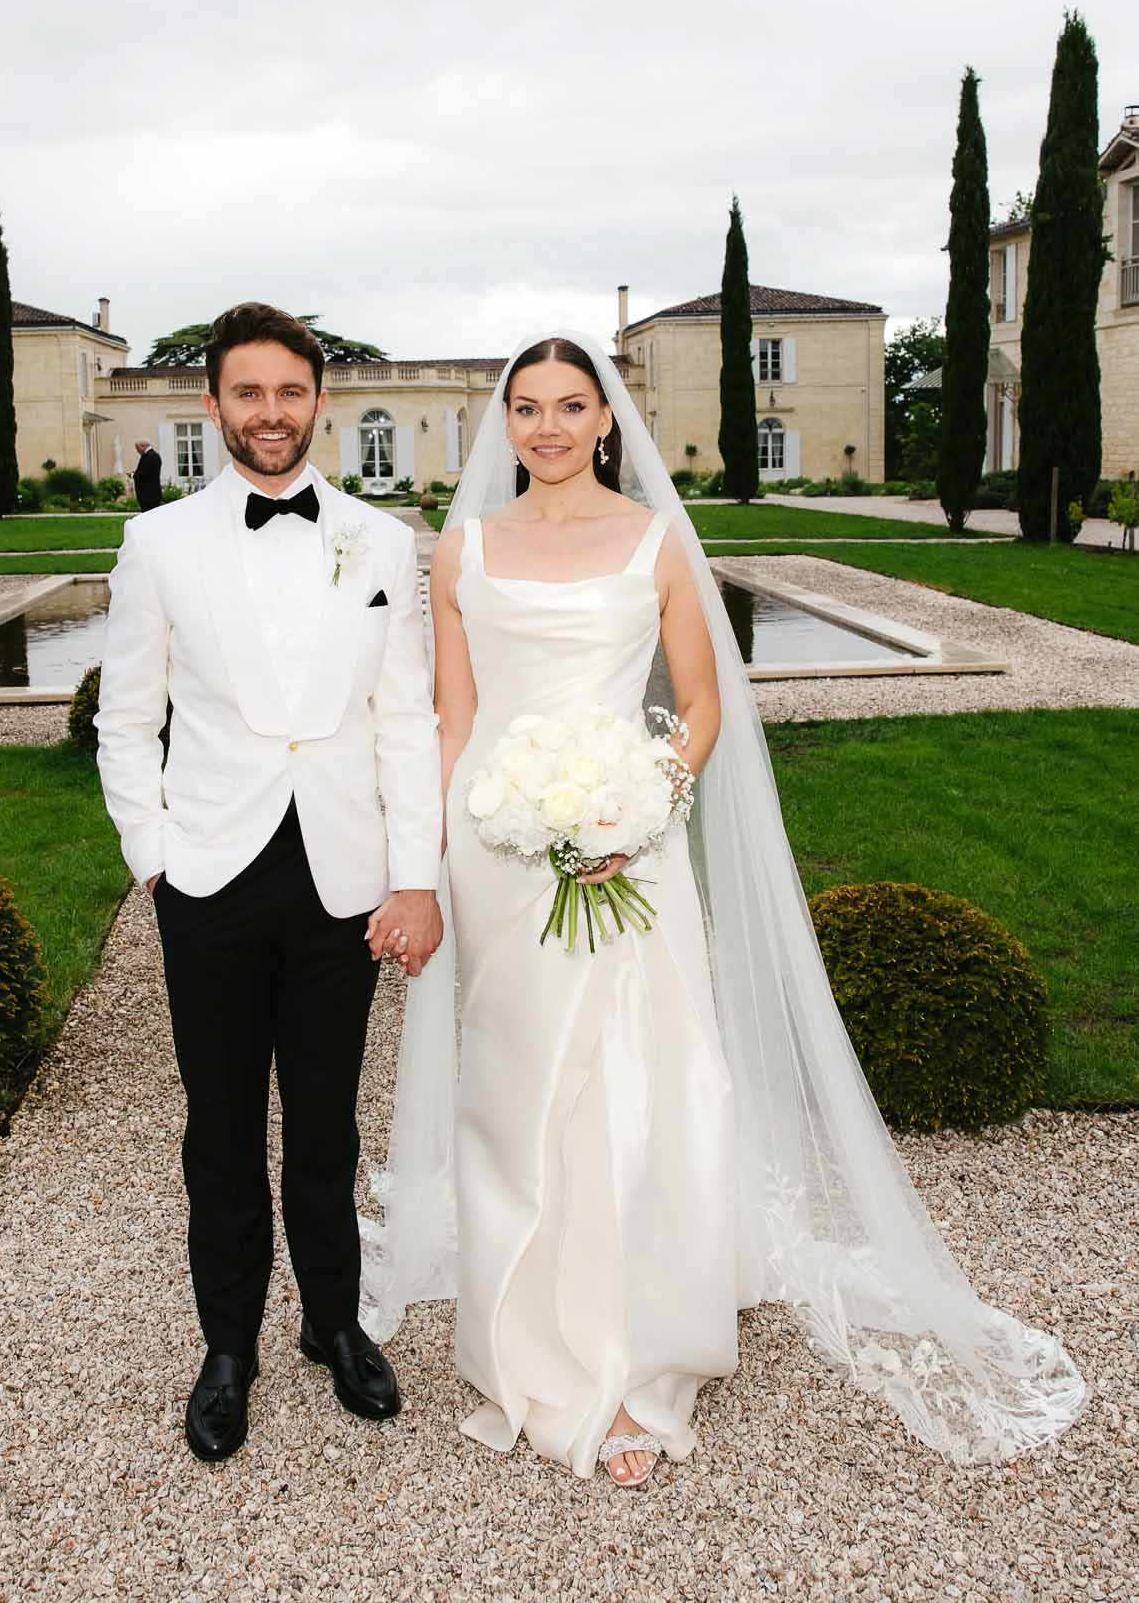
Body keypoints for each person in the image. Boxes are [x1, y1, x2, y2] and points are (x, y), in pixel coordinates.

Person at [361, 328, 1085, 1486]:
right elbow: (453, 720)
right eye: (528, 407)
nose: (548, 426)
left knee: (644, 1085)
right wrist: (429, 861)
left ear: (608, 419)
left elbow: (697, 706)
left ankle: (642, 1354)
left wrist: (634, 807)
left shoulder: (654, 542)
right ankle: (526, 1329)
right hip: (497, 854)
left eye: (571, 405)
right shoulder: (460, 553)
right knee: (514, 1090)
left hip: (626, 851)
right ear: (507, 423)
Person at [96, 303, 443, 1464]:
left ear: (318, 402)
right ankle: (229, 1345)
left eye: (290, 392)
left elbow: (406, 716)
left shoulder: (383, 542)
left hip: (343, 879)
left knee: (331, 1127)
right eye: (249, 393)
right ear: (214, 406)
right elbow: (126, 717)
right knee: (223, 1126)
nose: (272, 413)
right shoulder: (158, 544)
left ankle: (335, 1323)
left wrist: (416, 876)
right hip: (212, 877)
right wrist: (156, 855)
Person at [131, 438, 163, 512]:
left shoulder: (148, 456)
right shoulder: (154, 455)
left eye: (137, 448)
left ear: (143, 446)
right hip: (153, 494)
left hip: (147, 495)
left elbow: (142, 475)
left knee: (148, 517)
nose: (137, 451)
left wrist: (133, 475)